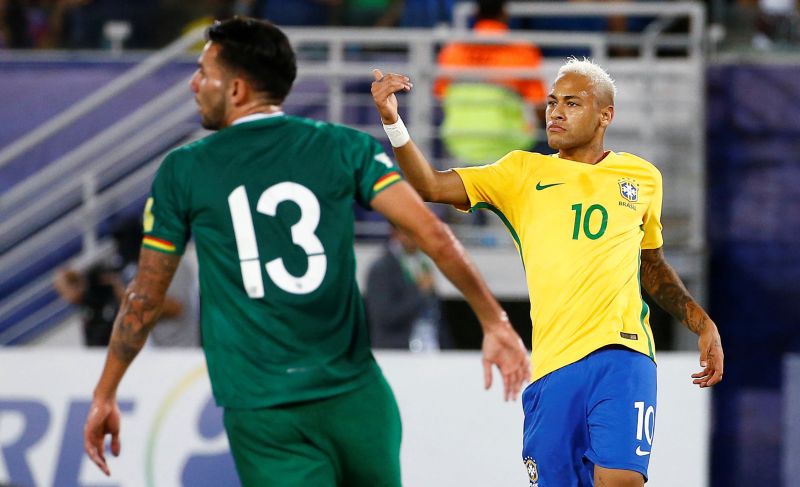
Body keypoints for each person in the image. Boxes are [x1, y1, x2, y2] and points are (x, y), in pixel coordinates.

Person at [83, 17, 529, 487]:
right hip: (358, 401)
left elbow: (146, 296)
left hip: (267, 415)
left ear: (236, 89)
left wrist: (105, 393)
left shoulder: (183, 170)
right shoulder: (344, 145)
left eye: (203, 72)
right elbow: (432, 233)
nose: (194, 83)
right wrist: (494, 321)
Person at [371, 58, 724, 486]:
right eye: (552, 102)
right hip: (554, 366)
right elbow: (429, 185)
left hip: (624, 353)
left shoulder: (642, 177)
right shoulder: (521, 172)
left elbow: (652, 265)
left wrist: (701, 322)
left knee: (622, 479)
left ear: (605, 115)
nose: (555, 112)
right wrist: (393, 122)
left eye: (572, 103)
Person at [434, 0, 546, 165]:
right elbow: (539, 106)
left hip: (459, 141)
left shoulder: (453, 50)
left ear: (476, 14)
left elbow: (439, 96)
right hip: (508, 143)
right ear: (504, 14)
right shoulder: (522, 50)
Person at [365, 225, 446, 351]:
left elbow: (434, 311)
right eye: (410, 232)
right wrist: (420, 292)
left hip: (427, 347)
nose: (416, 237)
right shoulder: (381, 268)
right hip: (394, 351)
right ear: (395, 233)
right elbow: (383, 317)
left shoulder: (423, 265)